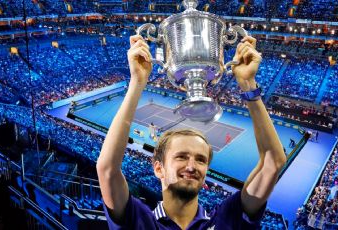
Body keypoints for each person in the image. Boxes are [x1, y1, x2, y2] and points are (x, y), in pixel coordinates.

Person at [96, 34, 287, 229]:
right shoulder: (139, 221)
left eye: (201, 159)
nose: (191, 166)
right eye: (181, 156)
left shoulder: (226, 219)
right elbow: (107, 169)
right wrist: (137, 82)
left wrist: (248, 84)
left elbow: (273, 163)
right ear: (158, 168)